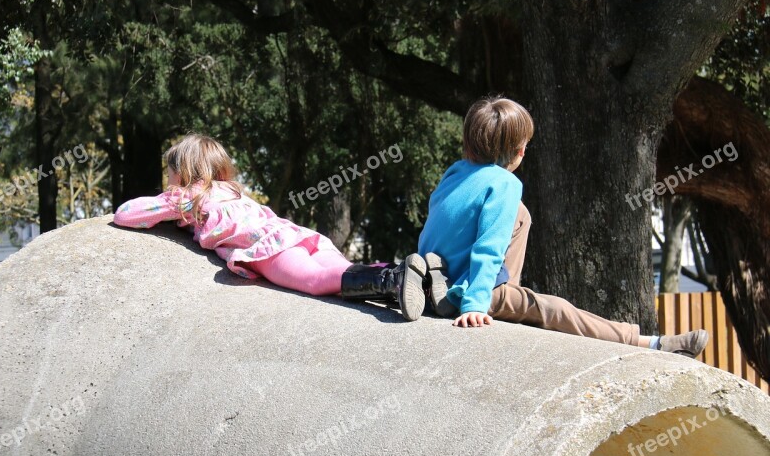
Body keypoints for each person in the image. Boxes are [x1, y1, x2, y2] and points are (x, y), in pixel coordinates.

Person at [417, 96, 709, 358]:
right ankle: (652, 344)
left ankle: (505, 292)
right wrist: (475, 306)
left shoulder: (454, 173)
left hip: (438, 278)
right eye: (526, 146)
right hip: (466, 290)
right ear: (518, 151)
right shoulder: (505, 183)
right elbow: (488, 247)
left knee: (521, 215)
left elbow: (435, 227)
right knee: (556, 309)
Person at [113, 133, 427, 320]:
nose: (167, 182)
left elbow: (125, 213)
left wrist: (167, 204)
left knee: (316, 281)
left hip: (270, 248)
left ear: (183, 173)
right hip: (300, 235)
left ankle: (393, 279)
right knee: (341, 273)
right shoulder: (233, 191)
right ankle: (411, 279)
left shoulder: (184, 196)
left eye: (169, 174)